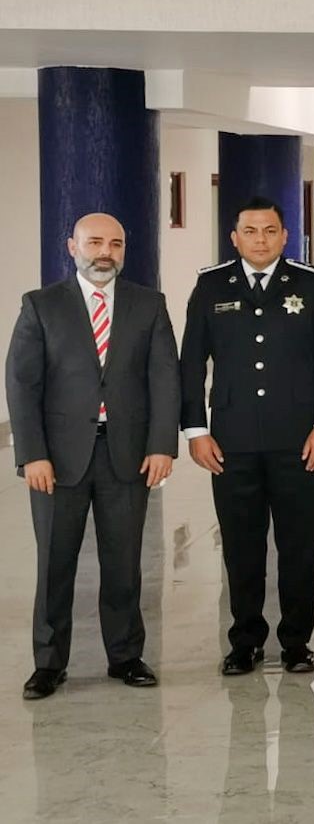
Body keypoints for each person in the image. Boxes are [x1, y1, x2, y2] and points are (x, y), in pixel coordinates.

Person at [6, 213, 178, 700]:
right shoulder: (41, 305)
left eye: (115, 244)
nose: (105, 252)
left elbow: (164, 378)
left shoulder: (149, 304)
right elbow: (22, 384)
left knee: (124, 560)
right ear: (72, 247)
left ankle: (125, 656)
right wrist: (32, 454)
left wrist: (161, 445)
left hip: (126, 455)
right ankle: (48, 664)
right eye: (95, 242)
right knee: (54, 562)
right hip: (57, 461)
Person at [180, 196, 314, 676]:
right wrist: (196, 429)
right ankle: (245, 641)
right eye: (250, 231)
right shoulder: (211, 286)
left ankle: (296, 642)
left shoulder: (310, 285)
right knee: (241, 546)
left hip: (299, 439)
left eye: (270, 231)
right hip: (231, 441)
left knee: (300, 546)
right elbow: (191, 363)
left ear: (285, 236)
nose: (260, 240)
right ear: (234, 237)